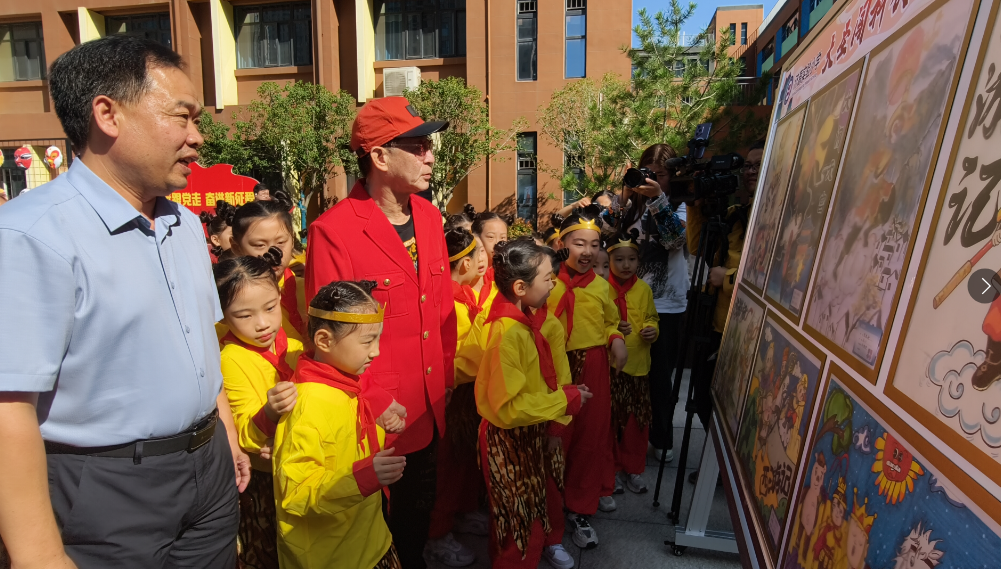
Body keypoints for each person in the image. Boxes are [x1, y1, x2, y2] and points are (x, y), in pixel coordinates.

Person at [0, 36, 247, 569]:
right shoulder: (30, 236)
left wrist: (223, 432)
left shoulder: (184, 225)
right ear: (107, 115)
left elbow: (201, 344)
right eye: (181, 117)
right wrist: (39, 554)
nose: (197, 137)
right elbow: (7, 407)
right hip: (103, 490)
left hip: (207, 473)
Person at [305, 96, 455, 569]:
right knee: (376, 534)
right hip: (377, 417)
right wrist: (372, 399)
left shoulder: (429, 216)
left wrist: (447, 378)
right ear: (380, 156)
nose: (430, 156)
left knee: (415, 522)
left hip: (429, 405)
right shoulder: (333, 231)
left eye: (429, 145)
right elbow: (329, 341)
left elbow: (442, 312)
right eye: (417, 146)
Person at [473, 239, 592, 569]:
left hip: (533, 427)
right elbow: (507, 408)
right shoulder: (507, 334)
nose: (554, 284)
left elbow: (557, 377)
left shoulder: (533, 324)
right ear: (521, 287)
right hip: (508, 438)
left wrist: (559, 413)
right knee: (516, 518)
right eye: (547, 278)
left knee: (534, 505)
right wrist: (563, 401)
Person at [275, 280, 406, 569]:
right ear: (324, 340)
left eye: (377, 339)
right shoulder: (308, 406)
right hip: (332, 557)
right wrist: (362, 478)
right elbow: (296, 493)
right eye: (367, 342)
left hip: (370, 541)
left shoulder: (348, 386)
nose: (376, 352)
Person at [600, 144, 688, 466]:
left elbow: (675, 240)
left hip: (665, 304)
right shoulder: (630, 207)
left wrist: (658, 200)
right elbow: (605, 233)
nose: (653, 181)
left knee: (660, 378)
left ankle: (661, 438)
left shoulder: (680, 205)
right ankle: (623, 438)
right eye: (648, 173)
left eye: (660, 175)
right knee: (625, 375)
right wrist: (623, 197)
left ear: (671, 176)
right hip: (626, 299)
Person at [215, 250, 303, 568]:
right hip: (266, 483)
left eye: (270, 307)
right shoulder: (230, 359)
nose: (263, 324)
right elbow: (242, 430)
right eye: (244, 315)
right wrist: (269, 411)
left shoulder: (292, 342)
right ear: (223, 316)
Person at [548, 205, 627, 549]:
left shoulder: (601, 286)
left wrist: (617, 339)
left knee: (590, 437)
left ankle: (580, 507)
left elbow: (610, 321)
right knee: (556, 437)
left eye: (595, 245)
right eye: (579, 243)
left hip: (593, 363)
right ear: (561, 244)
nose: (588, 252)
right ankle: (549, 509)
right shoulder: (548, 283)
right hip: (555, 365)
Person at [685, 139, 762, 483]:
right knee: (704, 397)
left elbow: (773, 274)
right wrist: (695, 207)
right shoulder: (733, 216)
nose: (750, 171)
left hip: (749, 330)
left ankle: (734, 473)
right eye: (747, 165)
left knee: (740, 408)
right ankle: (721, 467)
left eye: (758, 165)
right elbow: (696, 247)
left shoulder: (779, 215)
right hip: (716, 324)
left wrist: (727, 279)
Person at [426, 228, 490, 566]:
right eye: (479, 253)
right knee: (446, 467)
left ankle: (462, 512)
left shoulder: (464, 295)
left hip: (467, 395)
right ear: (465, 264)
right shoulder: (447, 302)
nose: (484, 259)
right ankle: (437, 534)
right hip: (451, 395)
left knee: (465, 458)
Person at [605, 231, 660, 494]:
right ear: (608, 260)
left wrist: (652, 329)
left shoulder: (644, 289)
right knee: (612, 420)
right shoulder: (602, 288)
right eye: (619, 259)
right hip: (611, 367)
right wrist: (613, 329)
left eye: (632, 259)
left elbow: (652, 317)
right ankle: (612, 468)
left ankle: (634, 468)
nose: (626, 265)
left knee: (637, 421)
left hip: (638, 366)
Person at [228, 191, 307, 342]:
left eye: (281, 242)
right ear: (236, 247)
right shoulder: (228, 297)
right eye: (259, 245)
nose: (274, 253)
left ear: (292, 239)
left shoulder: (307, 290)